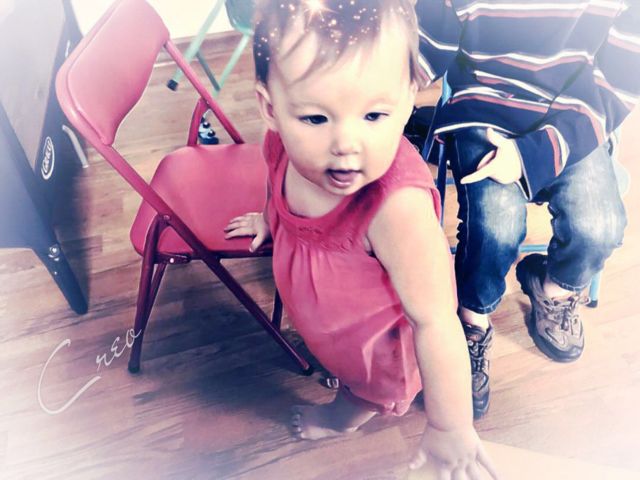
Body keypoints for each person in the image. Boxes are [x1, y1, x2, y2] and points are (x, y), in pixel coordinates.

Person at [225, 0, 498, 476]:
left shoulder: (396, 208)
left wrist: (450, 426)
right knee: (335, 361)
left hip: (377, 352)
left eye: (373, 115)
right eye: (316, 119)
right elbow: (273, 172)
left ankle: (341, 420)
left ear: (408, 99)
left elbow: (437, 320)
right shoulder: (283, 143)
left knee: (365, 392)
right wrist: (271, 216)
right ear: (272, 110)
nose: (347, 145)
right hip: (327, 319)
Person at [415, 0, 640, 419]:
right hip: (484, 102)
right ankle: (472, 320)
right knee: (496, 225)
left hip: (575, 116)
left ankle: (553, 289)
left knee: (601, 226)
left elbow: (622, 81)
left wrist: (533, 155)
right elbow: (426, 48)